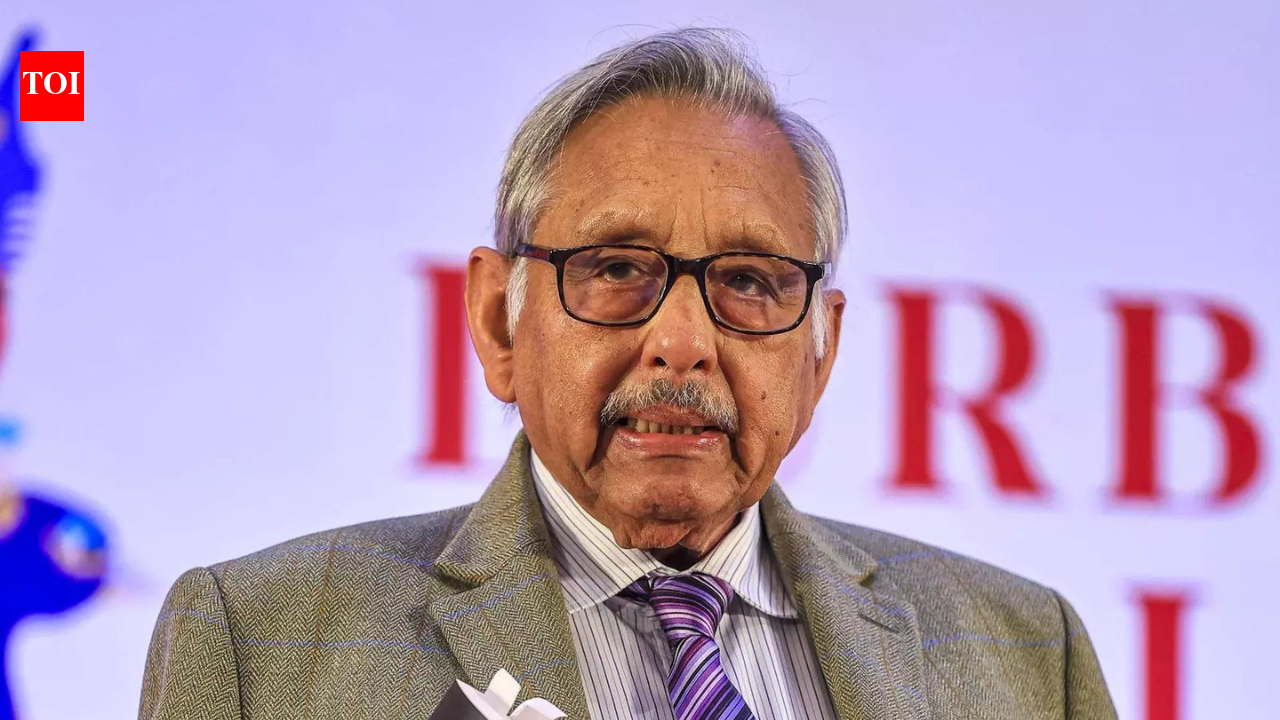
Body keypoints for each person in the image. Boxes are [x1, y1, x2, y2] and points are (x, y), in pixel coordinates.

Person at [138, 28, 1117, 720]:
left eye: (748, 280)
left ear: (820, 351)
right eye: (615, 269)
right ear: (497, 321)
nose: (681, 343)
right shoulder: (263, 646)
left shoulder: (1030, 657)